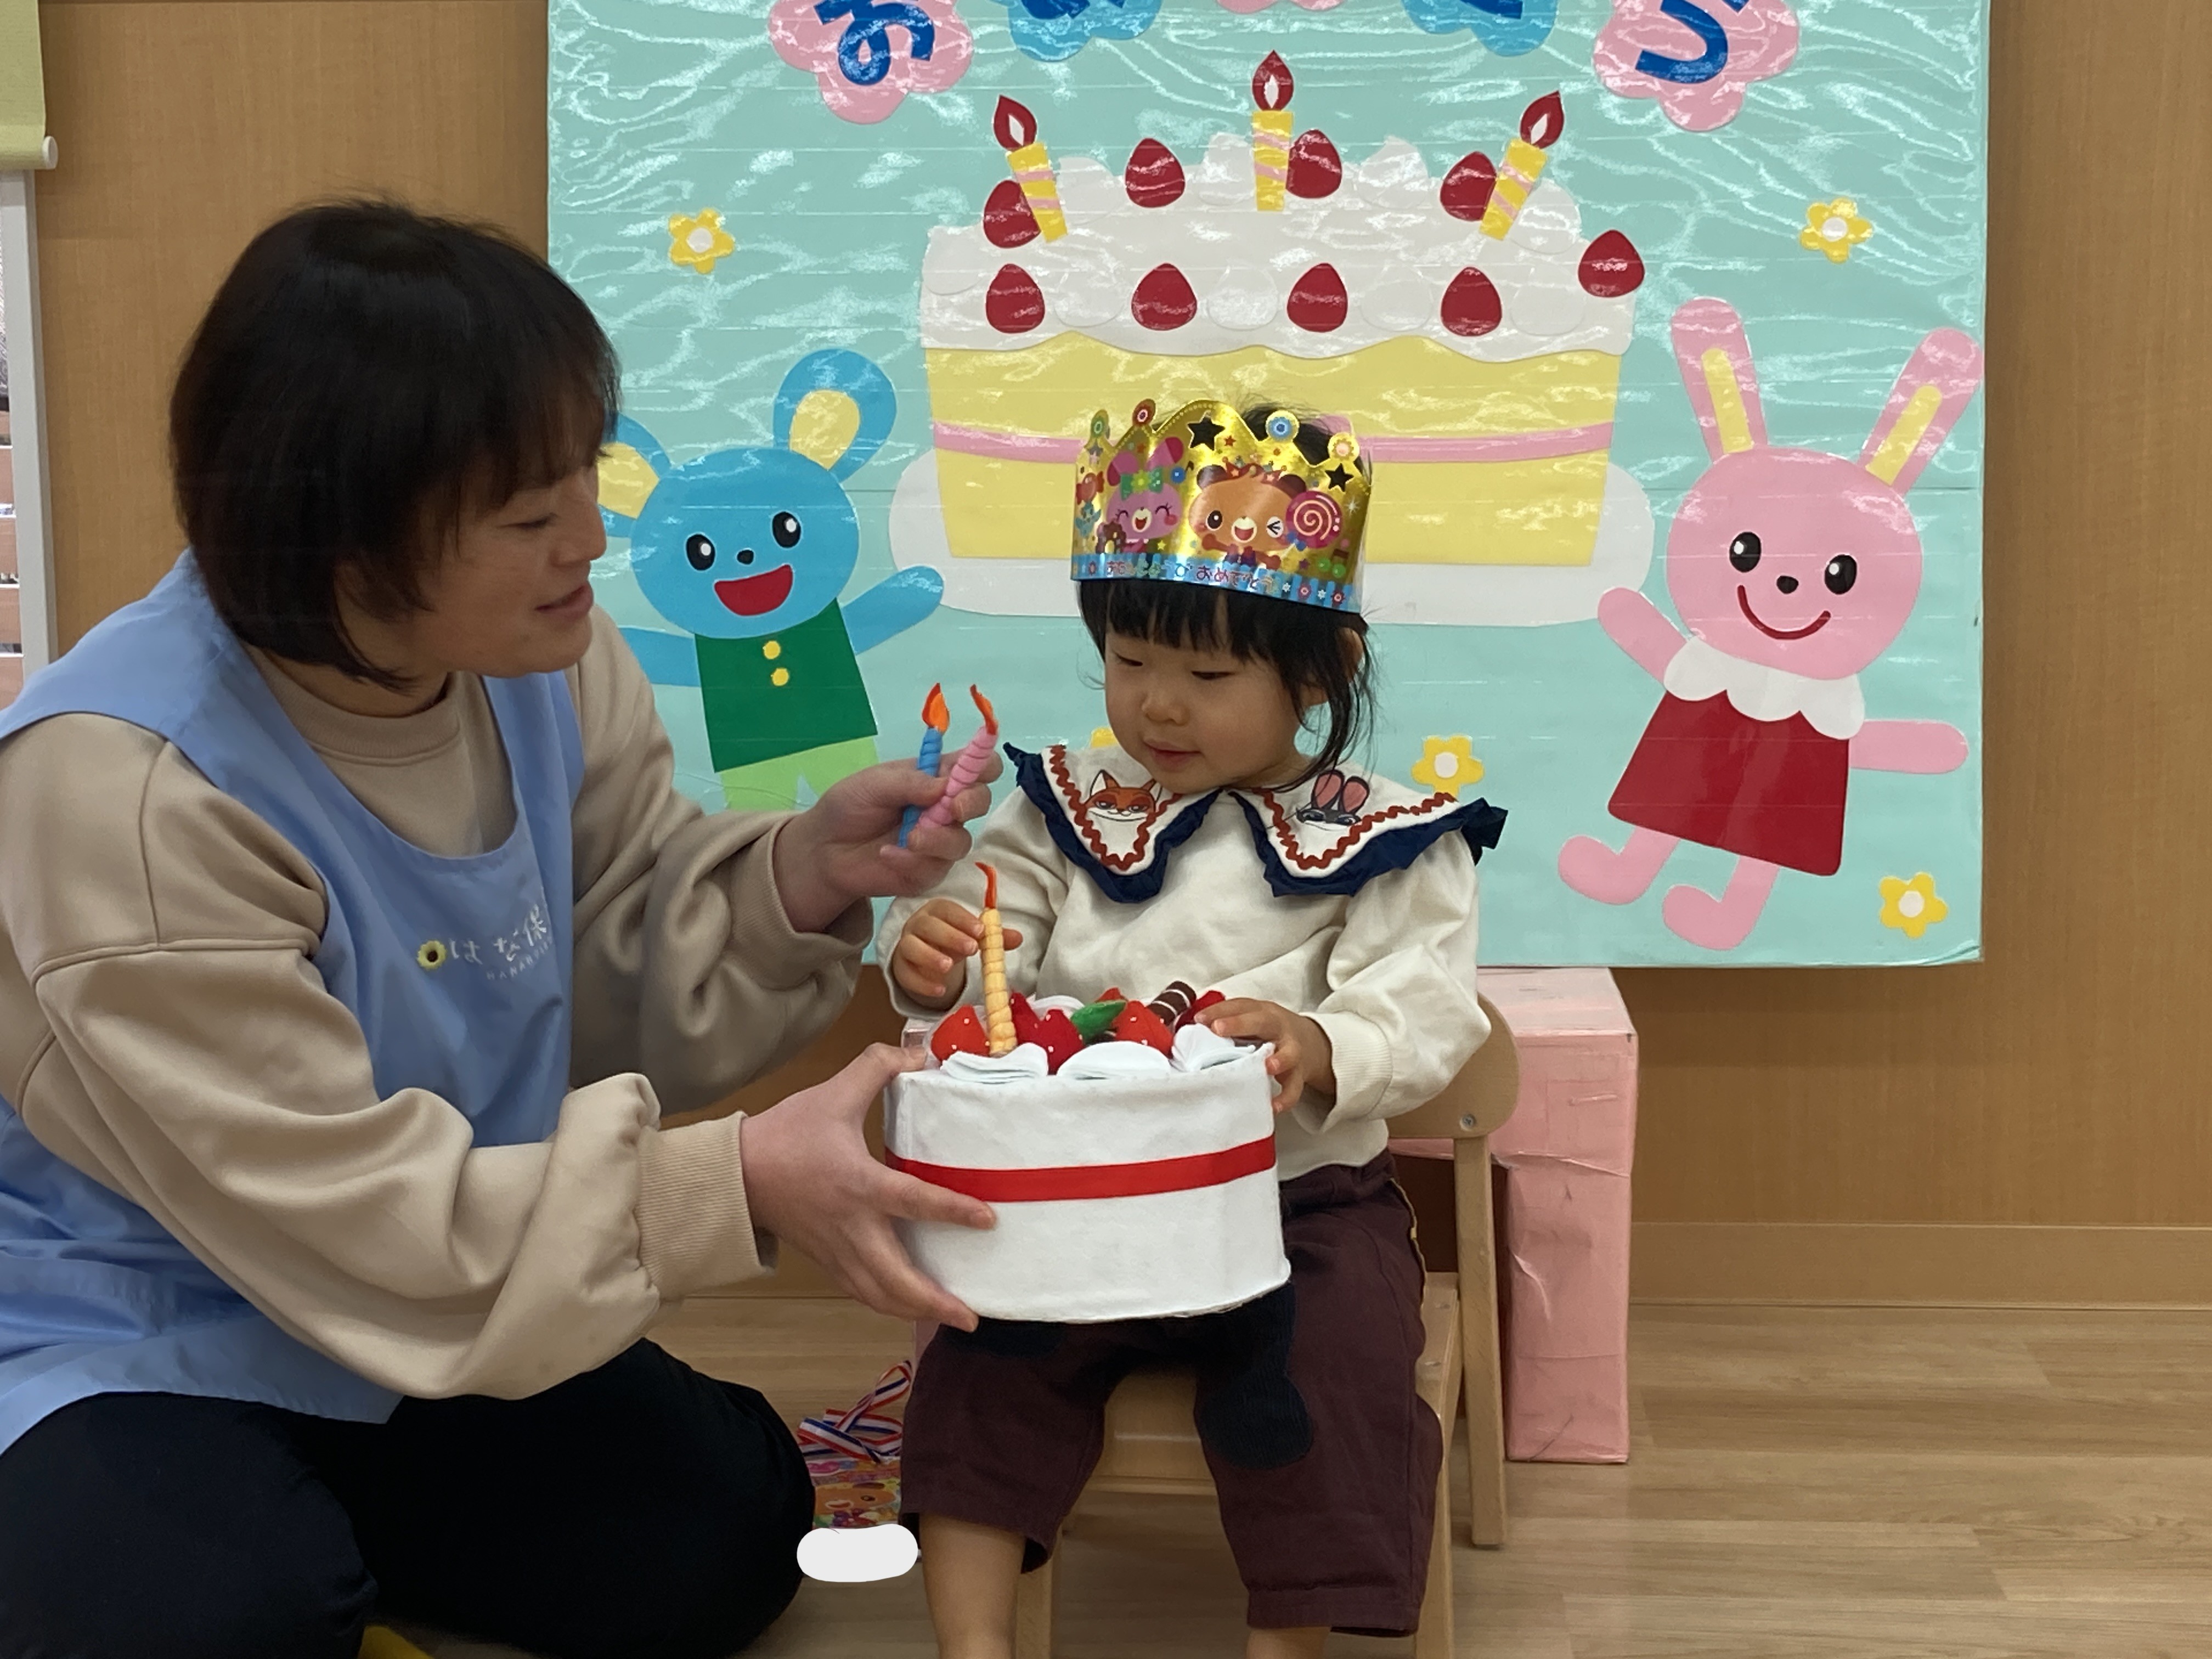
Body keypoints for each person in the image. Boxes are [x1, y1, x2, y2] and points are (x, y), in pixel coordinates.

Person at [0, 200, 996, 1659]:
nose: (591, 540)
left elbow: (594, 960)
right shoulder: (128, 788)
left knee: (723, 1534)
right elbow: (341, 1212)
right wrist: (735, 1185)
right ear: (346, 545)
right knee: (209, 1617)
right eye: (530, 517)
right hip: (146, 1317)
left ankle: (322, 1532)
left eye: (581, 477)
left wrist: (795, 877)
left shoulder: (540, 660)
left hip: (431, 1271)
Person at [881, 400, 1506, 1659]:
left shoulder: (1389, 837)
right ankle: (972, 1646)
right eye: (1129, 662)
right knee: (978, 1365)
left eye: (1209, 678)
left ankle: (1289, 1645)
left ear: (1320, 672)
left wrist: (1322, 1044)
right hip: (1076, 1196)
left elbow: (1424, 1004)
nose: (1158, 706)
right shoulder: (1066, 805)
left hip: (1298, 1204)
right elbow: (993, 944)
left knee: (1335, 1372)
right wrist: (937, 960)